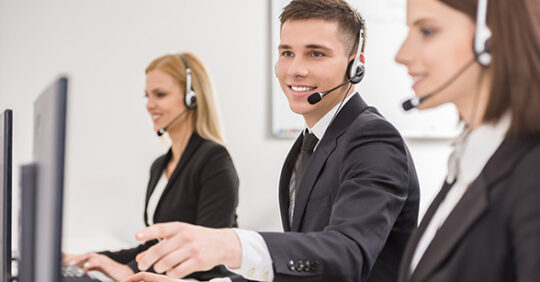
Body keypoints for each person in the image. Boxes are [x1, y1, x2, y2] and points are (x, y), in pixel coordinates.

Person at [124, 0, 420, 281]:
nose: (295, 70)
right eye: (287, 53)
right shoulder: (307, 146)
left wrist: (234, 245)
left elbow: (348, 254)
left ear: (355, 65)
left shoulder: (373, 139)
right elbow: (303, 269)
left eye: (316, 53)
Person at [395, 0, 540, 281]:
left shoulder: (532, 171)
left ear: (489, 38)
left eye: (426, 31)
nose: (402, 54)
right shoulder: (469, 165)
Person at [63, 52, 240, 281]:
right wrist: (87, 259)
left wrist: (131, 272)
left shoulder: (214, 161)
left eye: (160, 94)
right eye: (147, 95)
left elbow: (206, 254)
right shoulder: (160, 166)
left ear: (192, 98)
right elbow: (150, 248)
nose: (149, 105)